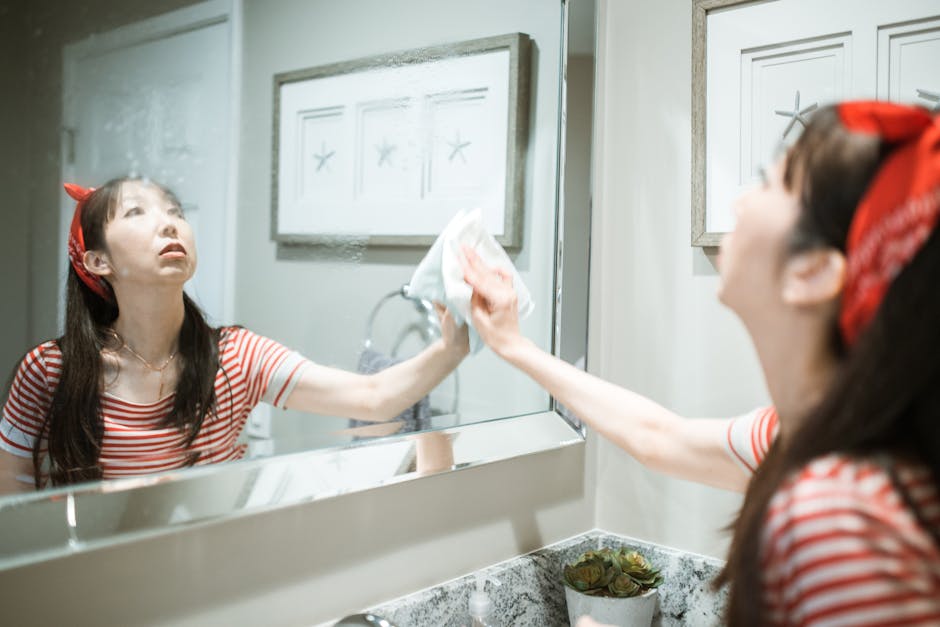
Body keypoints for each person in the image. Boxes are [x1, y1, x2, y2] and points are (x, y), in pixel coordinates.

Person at [463, 101, 940, 625]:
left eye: (769, 183)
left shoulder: (838, 519)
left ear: (814, 272)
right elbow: (659, 438)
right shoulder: (806, 439)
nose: (738, 203)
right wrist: (514, 346)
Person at [0, 177, 469, 493]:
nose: (169, 222)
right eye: (137, 213)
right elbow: (13, 493)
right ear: (97, 262)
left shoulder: (236, 356)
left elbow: (373, 398)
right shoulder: (49, 370)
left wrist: (450, 348)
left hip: (207, 573)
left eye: (175, 211)